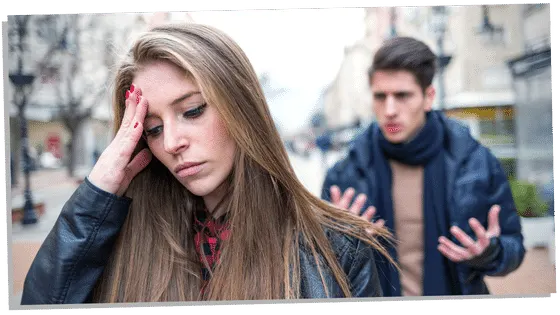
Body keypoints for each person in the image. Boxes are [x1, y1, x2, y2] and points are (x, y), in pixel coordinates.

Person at [21, 23, 395, 305]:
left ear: (241, 109)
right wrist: (97, 191)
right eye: (151, 129)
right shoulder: (119, 243)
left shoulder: (339, 250)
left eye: (192, 110)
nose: (171, 143)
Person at [321, 36, 525, 297]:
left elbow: (514, 247)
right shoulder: (345, 175)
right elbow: (321, 267)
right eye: (380, 97)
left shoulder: (476, 163)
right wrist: (337, 240)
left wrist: (489, 252)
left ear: (428, 96)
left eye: (403, 95)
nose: (390, 109)